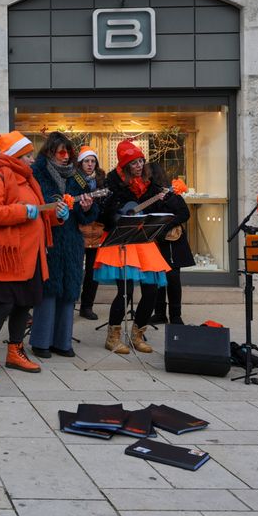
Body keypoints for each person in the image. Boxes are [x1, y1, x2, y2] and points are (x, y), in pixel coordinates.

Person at [0, 131, 64, 379]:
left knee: (24, 304)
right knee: (4, 305)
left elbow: (39, 212)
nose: (32, 160)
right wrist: (23, 212)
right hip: (7, 257)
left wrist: (57, 214)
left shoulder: (29, 181)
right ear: (15, 157)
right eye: (27, 156)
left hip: (30, 256)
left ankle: (15, 351)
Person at [94, 140, 171, 355]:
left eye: (141, 161)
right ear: (125, 165)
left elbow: (157, 209)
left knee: (152, 289)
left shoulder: (149, 183)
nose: (139, 165)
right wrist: (117, 215)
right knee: (125, 291)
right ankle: (113, 337)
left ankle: (137, 334)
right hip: (121, 239)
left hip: (143, 239)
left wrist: (163, 201)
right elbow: (103, 213)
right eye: (134, 163)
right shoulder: (112, 183)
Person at [30, 133, 96, 358]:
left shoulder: (77, 177)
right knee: (48, 290)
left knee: (69, 290)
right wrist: (53, 209)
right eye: (61, 152)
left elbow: (87, 216)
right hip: (47, 238)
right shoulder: (37, 173)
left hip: (71, 241)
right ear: (50, 152)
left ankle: (62, 341)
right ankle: (41, 342)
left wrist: (87, 208)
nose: (66, 156)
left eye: (68, 152)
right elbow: (35, 204)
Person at [148, 163, 194, 325]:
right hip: (156, 240)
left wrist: (166, 225)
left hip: (172, 242)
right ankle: (160, 313)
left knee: (173, 278)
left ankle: (175, 315)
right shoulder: (147, 194)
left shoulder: (170, 193)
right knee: (158, 277)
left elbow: (184, 213)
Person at [75, 147, 106, 320]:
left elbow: (106, 203)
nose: (90, 164)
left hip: (96, 229)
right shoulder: (74, 179)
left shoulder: (101, 181)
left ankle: (87, 306)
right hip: (79, 230)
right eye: (86, 161)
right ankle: (70, 304)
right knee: (75, 270)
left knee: (93, 271)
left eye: (93, 161)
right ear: (80, 163)